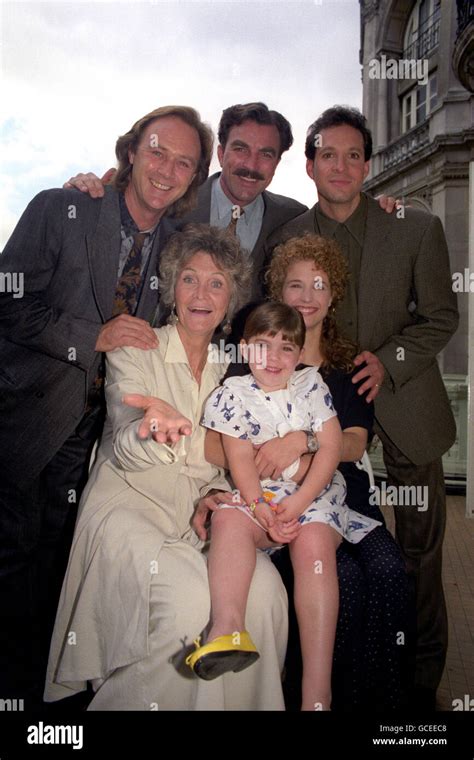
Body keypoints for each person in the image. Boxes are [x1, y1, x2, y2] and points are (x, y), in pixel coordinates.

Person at [0, 105, 213, 708]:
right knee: (10, 559)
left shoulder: (176, 248)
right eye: (156, 150)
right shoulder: (61, 208)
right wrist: (87, 335)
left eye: (184, 162)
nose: (167, 169)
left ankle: (46, 692)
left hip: (98, 435)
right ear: (130, 151)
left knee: (55, 564)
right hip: (23, 418)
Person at [44, 224, 288, 711]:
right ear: (171, 288)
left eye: (217, 282)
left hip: (199, 515)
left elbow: (242, 459)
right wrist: (156, 429)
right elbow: (129, 436)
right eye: (190, 279)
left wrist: (218, 492)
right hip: (129, 505)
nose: (202, 293)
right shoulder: (135, 347)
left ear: (230, 298)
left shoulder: (236, 370)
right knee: (186, 596)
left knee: (266, 593)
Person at [267, 106, 459, 710]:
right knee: (326, 546)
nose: (342, 166)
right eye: (329, 155)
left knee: (421, 556)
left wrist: (391, 359)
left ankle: (418, 687)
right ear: (310, 164)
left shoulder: (415, 226)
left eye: (354, 156)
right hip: (317, 418)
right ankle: (336, 671)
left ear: (368, 164)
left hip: (402, 405)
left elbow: (441, 316)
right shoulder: (290, 237)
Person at [202, 234, 410, 711]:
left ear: (333, 293)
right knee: (238, 525)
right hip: (262, 498)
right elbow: (229, 453)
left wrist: (301, 447)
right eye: (296, 285)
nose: (308, 294)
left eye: (319, 284)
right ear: (279, 292)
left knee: (383, 571)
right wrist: (259, 503)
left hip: (327, 499)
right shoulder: (238, 381)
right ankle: (230, 631)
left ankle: (344, 700)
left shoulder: (331, 371)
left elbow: (348, 442)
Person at [63, 102, 397, 300]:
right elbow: (128, 203)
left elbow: (343, 215)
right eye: (240, 149)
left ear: (278, 164)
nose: (251, 165)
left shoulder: (293, 220)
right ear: (221, 153)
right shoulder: (173, 204)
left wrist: (383, 206)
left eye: (266, 154)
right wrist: (91, 188)